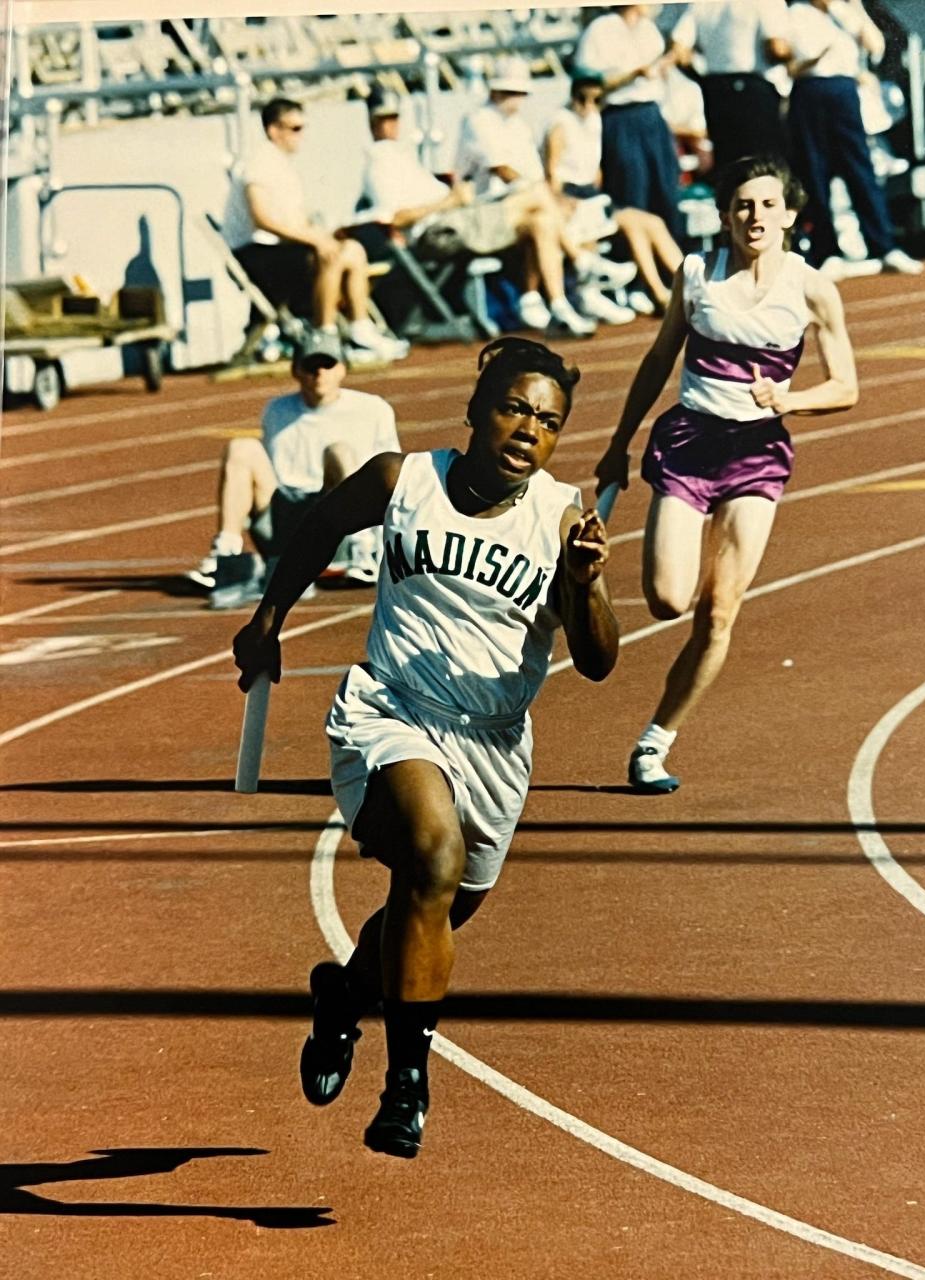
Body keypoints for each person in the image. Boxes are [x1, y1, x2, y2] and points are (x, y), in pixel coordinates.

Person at [232, 337, 619, 1157]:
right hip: (391, 709)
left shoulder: (561, 517)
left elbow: (597, 661)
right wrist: (267, 622)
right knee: (433, 856)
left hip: (493, 743)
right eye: (514, 408)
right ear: (476, 412)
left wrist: (584, 586)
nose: (527, 430)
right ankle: (409, 1084)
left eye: (547, 422)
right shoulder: (402, 480)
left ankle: (344, 996)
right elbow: (317, 525)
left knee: (439, 905)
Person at [595, 154, 858, 793]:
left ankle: (656, 742)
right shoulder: (696, 275)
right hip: (688, 442)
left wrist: (790, 401)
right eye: (742, 205)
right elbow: (659, 361)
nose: (754, 216)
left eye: (768, 204)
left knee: (718, 613)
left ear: (790, 215)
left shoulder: (812, 287)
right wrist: (618, 444)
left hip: (757, 452)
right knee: (667, 598)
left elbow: (846, 386)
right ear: (724, 215)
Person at [187, 330, 400, 606]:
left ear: (343, 369)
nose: (319, 373)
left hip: (336, 520)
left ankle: (361, 552)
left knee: (338, 451)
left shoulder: (373, 409)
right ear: (296, 371)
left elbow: (390, 476)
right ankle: (226, 555)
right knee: (241, 447)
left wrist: (386, 539)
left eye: (328, 364)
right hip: (285, 519)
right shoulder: (276, 409)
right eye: (311, 366)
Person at [454, 57, 634, 334]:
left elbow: (534, 175)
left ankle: (554, 302)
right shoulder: (478, 120)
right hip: (484, 214)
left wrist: (556, 200)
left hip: (523, 212)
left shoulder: (518, 125)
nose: (518, 99)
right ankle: (582, 264)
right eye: (512, 92)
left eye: (520, 93)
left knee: (549, 219)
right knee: (545, 203)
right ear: (496, 91)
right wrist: (548, 197)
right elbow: (502, 170)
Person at [221, 96, 408, 362]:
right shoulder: (259, 162)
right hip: (255, 252)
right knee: (328, 254)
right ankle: (325, 333)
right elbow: (262, 219)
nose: (302, 136)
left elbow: (296, 220)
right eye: (295, 129)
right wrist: (317, 241)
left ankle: (360, 330)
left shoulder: (280, 163)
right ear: (274, 130)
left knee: (352, 249)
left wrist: (322, 236)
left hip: (277, 248)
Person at [786, 0, 923, 279]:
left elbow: (875, 45)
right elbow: (796, 63)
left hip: (844, 91)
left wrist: (854, 9)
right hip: (811, 89)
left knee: (861, 170)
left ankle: (884, 247)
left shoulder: (846, 10)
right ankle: (828, 252)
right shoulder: (796, 13)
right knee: (815, 174)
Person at [544, 69, 683, 316]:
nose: (588, 106)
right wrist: (563, 205)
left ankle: (691, 287)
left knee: (652, 222)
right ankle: (659, 293)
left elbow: (595, 170)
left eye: (596, 100)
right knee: (633, 226)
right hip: (571, 196)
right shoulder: (560, 122)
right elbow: (553, 174)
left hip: (592, 196)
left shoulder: (595, 121)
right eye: (582, 99)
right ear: (572, 97)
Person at [573, 6, 682, 238]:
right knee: (632, 192)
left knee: (666, 190)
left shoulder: (649, 30)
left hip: (652, 114)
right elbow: (589, 83)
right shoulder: (600, 30)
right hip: (620, 117)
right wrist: (633, 74)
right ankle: (638, 264)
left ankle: (674, 262)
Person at [670, 0, 792, 174]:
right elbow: (777, 48)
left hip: (716, 90)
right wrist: (794, 59)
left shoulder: (702, 4)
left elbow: (678, 50)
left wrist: (701, 80)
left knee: (729, 168)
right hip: (754, 89)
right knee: (765, 167)